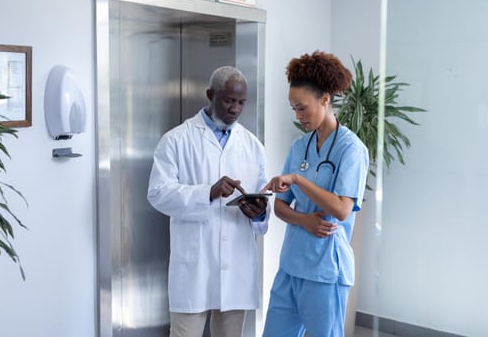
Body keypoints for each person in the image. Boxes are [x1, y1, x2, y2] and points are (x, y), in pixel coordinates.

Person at [147, 66, 269, 337]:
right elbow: (157, 193)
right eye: (228, 100)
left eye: (241, 102)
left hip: (236, 264)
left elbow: (262, 207)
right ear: (210, 94)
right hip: (194, 266)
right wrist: (207, 193)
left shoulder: (253, 146)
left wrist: (259, 214)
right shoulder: (176, 140)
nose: (235, 109)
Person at [261, 51, 369, 337]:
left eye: (302, 108)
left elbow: (343, 209)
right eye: (293, 109)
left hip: (326, 273)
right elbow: (281, 207)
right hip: (291, 267)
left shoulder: (351, 149)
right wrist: (304, 220)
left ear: (325, 99)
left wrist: (298, 178)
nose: (298, 116)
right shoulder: (299, 146)